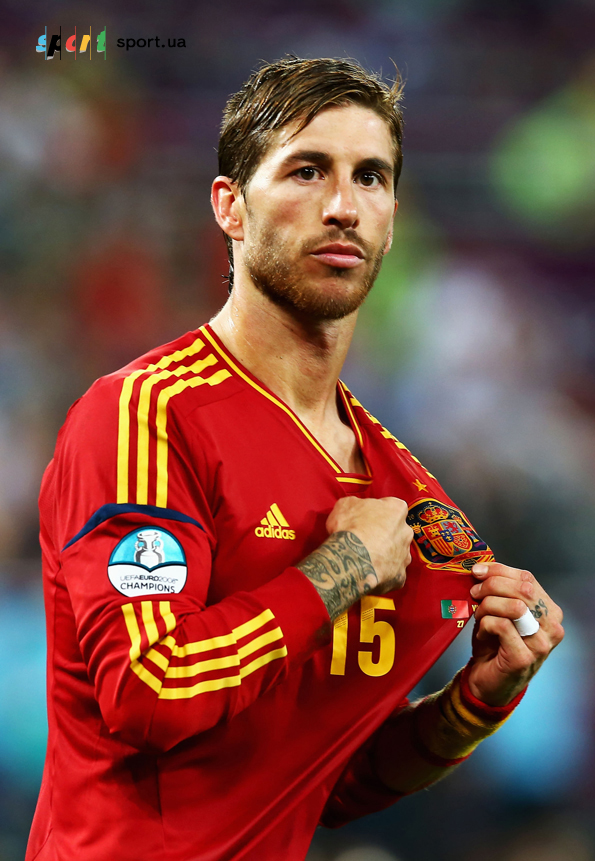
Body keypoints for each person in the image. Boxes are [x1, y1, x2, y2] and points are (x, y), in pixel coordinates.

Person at [26, 57, 563, 861]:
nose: (342, 206)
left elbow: (329, 782)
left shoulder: (405, 491)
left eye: (369, 177)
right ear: (229, 206)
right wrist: (341, 568)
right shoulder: (147, 415)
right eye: (306, 171)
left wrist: (473, 704)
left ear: (390, 218)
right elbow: (148, 690)